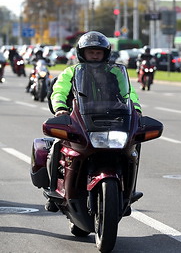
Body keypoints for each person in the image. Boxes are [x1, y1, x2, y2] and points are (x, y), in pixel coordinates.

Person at [45, 31, 142, 212]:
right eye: (91, 52)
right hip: (79, 117)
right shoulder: (71, 72)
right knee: (57, 145)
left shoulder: (115, 72)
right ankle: (54, 191)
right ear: (82, 53)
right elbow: (59, 91)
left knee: (133, 147)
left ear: (106, 53)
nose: (95, 55)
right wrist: (60, 109)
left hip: (113, 118)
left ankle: (128, 192)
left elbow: (128, 93)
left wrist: (136, 109)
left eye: (99, 52)